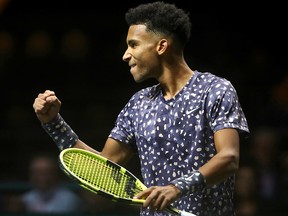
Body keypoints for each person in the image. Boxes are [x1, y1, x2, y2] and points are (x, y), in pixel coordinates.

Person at [32, 1, 249, 215]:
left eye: (134, 44)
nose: (125, 55)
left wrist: (177, 188)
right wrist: (53, 123)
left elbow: (229, 158)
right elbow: (102, 169)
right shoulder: (139, 104)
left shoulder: (215, 90)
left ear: (161, 46)